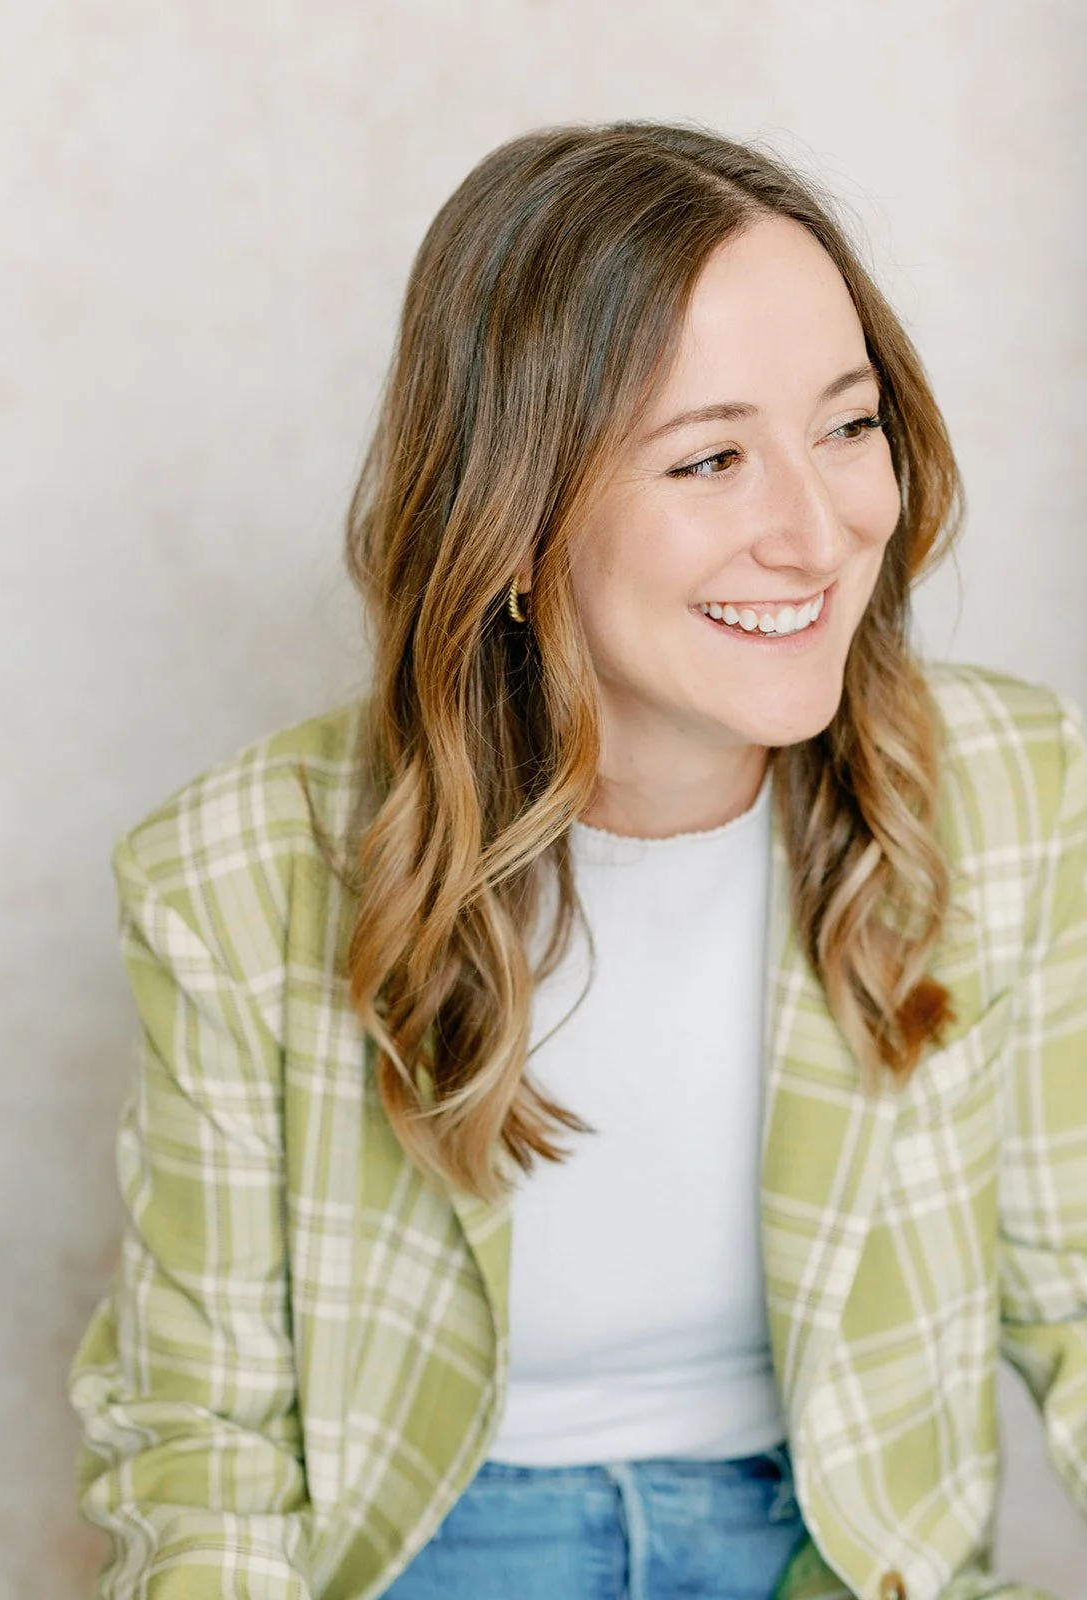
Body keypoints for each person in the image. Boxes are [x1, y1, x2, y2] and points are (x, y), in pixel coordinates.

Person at [68, 122, 1087, 1600]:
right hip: (439, 1546)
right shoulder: (231, 877)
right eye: (712, 457)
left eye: (849, 425)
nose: (818, 530)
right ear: (519, 520)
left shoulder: (1016, 789)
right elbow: (200, 1443)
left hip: (836, 1554)